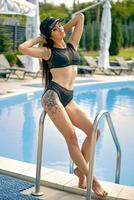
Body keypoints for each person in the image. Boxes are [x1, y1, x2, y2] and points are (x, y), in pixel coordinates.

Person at [19, 14, 108, 198]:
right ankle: (93, 181)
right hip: (53, 96)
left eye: (59, 25)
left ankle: (80, 172)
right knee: (72, 138)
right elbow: (23, 48)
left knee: (94, 131)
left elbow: (80, 17)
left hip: (69, 98)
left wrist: (62, 28)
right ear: (49, 35)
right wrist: (41, 38)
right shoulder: (47, 52)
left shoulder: (71, 44)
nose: (59, 28)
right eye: (55, 28)